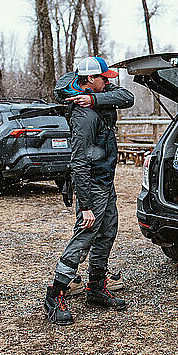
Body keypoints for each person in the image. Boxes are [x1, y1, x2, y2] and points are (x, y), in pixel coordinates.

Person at [44, 56, 134, 326]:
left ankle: (95, 287)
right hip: (92, 186)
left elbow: (126, 96)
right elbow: (78, 162)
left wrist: (94, 99)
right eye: (103, 79)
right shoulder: (83, 116)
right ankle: (55, 294)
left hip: (106, 182)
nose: (108, 83)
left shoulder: (96, 99)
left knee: (108, 231)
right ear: (90, 80)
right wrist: (84, 205)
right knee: (84, 237)